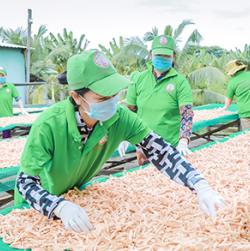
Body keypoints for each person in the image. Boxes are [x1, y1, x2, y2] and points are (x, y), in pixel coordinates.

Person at [15, 49, 228, 233]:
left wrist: (199, 185)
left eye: (115, 95)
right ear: (77, 97)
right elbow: (25, 182)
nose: (111, 102)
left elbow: (161, 152)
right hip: (36, 207)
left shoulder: (120, 117)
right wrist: (59, 208)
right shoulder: (49, 125)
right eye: (102, 98)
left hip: (77, 196)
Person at [119, 35, 194, 166]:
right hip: (144, 147)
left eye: (166, 56)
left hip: (170, 146)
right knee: (147, 181)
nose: (162, 58)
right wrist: (124, 136)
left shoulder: (180, 82)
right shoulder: (138, 79)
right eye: (158, 55)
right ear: (151, 55)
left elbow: (186, 115)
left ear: (173, 56)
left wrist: (183, 141)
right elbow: (129, 112)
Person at [0, 66, 29, 141]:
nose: (0, 77)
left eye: (2, 75)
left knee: (7, 137)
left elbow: (18, 98)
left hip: (7, 116)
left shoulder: (11, 86)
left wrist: (22, 109)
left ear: (5, 76)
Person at [223, 60, 250, 130]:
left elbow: (228, 103)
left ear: (232, 72)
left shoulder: (231, 83)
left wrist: (224, 108)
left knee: (248, 136)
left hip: (245, 112)